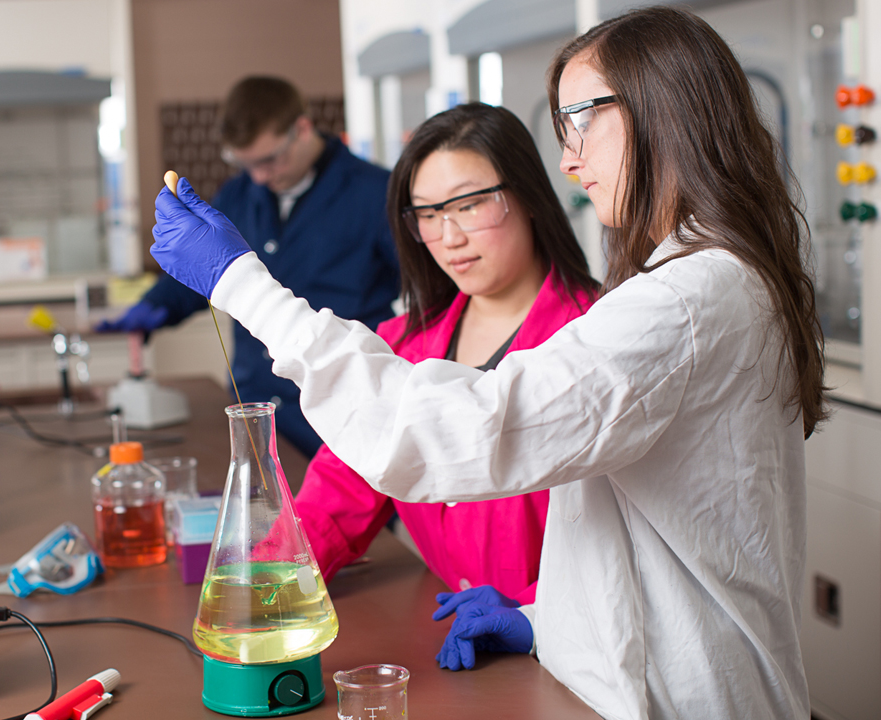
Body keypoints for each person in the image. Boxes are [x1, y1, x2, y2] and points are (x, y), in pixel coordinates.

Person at [149, 6, 826, 719]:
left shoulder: (684, 301)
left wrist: (241, 285)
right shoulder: (699, 284)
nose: (570, 159)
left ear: (667, 109)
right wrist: (542, 618)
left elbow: (468, 428)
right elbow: (655, 550)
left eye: (582, 120)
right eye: (427, 214)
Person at [290, 103, 598, 671]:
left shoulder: (596, 337)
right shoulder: (406, 343)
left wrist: (537, 616)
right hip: (453, 653)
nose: (448, 236)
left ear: (528, 194)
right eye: (428, 213)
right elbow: (341, 488)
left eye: (470, 203)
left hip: (574, 656)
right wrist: (272, 574)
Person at [99, 76, 400, 457]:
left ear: (302, 129)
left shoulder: (376, 193)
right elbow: (208, 273)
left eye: (269, 159)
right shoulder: (239, 194)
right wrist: (154, 308)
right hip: (255, 411)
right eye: (244, 163)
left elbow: (426, 296)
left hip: (341, 413)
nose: (258, 175)